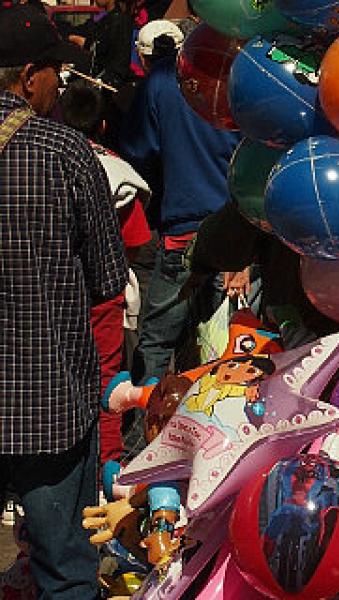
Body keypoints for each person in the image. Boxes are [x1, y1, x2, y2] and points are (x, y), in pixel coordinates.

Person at [0, 4, 128, 597]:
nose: (60, 83)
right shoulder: (62, 152)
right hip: (44, 404)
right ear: (29, 76)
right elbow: (107, 278)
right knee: (66, 572)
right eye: (56, 70)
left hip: (43, 405)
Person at [119, 19, 240, 384]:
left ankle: (144, 434)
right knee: (229, 347)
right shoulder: (244, 75)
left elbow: (139, 150)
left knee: (157, 343)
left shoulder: (161, 81)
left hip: (184, 232)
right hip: (235, 236)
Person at [58, 81, 152, 467]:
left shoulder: (40, 159)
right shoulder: (117, 171)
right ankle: (106, 473)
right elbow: (137, 240)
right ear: (102, 126)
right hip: (104, 298)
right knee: (107, 384)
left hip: (51, 294)